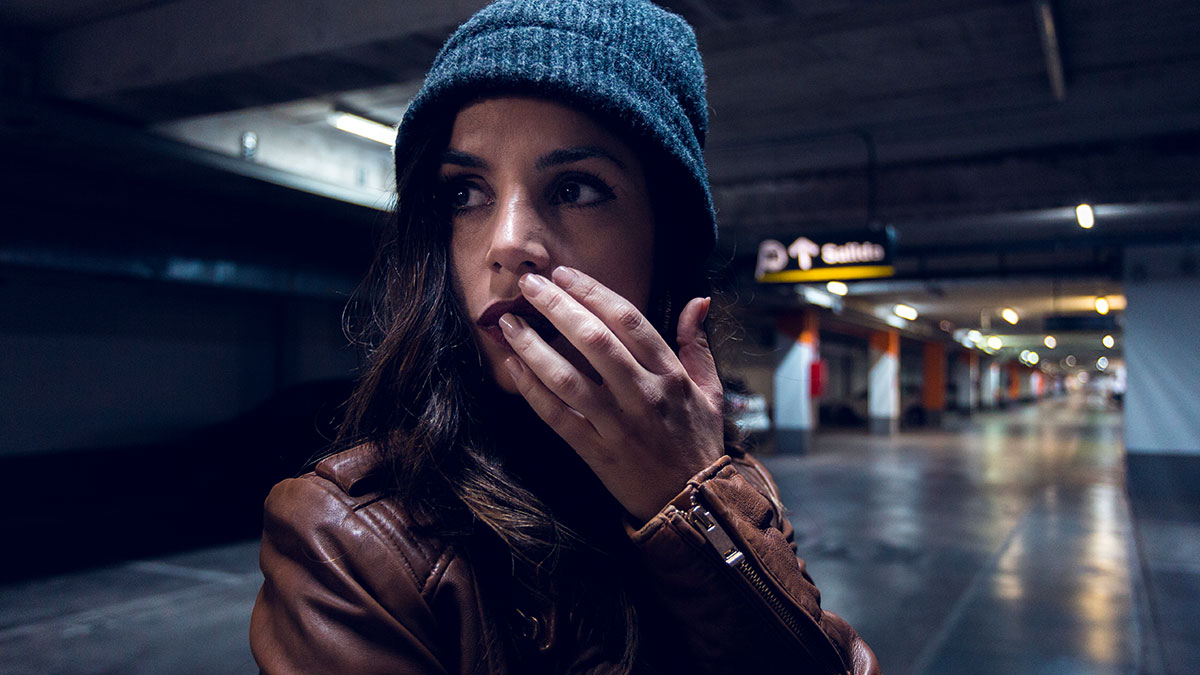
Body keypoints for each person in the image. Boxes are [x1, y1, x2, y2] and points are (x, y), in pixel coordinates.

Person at [249, 0, 880, 673]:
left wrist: (694, 504)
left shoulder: (727, 477)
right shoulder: (351, 539)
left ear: (663, 241)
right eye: (465, 193)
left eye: (575, 188)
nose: (509, 242)